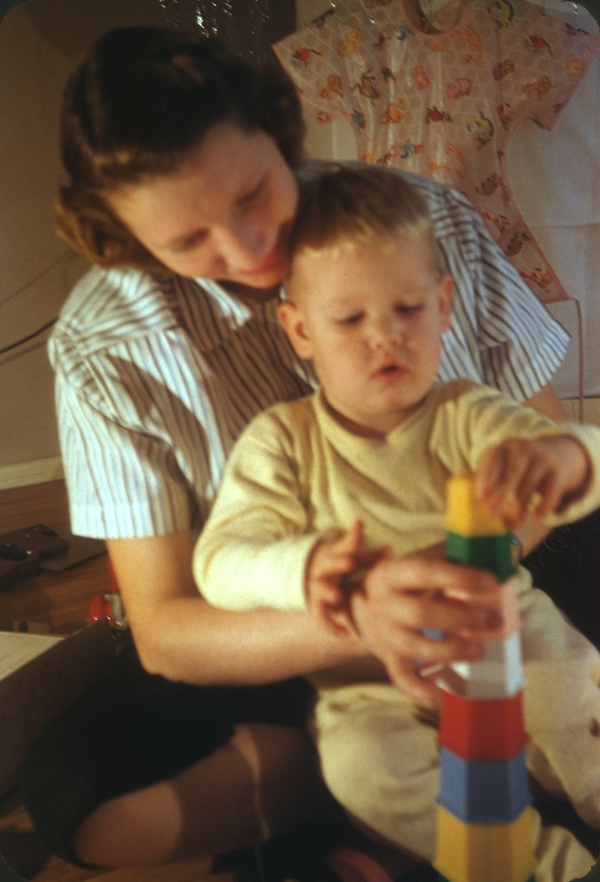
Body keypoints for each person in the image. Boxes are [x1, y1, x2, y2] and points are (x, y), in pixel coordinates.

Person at [17, 24, 588, 878]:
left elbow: (549, 458)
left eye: (253, 195)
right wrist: (358, 615)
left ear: (280, 134)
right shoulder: (110, 351)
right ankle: (403, 788)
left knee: (564, 677)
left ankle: (416, 798)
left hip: (495, 593)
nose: (248, 252)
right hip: (299, 651)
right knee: (90, 801)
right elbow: (171, 631)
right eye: (189, 241)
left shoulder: (429, 222)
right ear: (127, 238)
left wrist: (461, 580)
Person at [193, 165, 600, 881]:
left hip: (506, 640)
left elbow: (578, 452)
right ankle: (547, 867)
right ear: (299, 330)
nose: (385, 338)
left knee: (574, 697)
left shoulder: (465, 411)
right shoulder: (280, 440)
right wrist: (301, 568)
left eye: (407, 309)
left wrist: (563, 459)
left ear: (445, 305)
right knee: (363, 769)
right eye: (350, 320)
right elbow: (220, 560)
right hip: (368, 683)